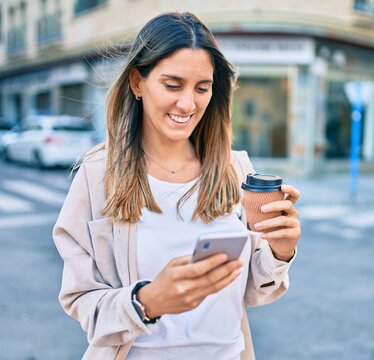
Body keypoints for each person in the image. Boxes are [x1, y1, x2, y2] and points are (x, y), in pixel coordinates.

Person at [53, 12, 301, 360]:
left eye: (202, 88)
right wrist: (148, 302)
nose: (188, 104)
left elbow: (251, 293)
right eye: (172, 85)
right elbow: (81, 302)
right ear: (138, 83)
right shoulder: (98, 175)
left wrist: (280, 251)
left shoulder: (235, 168)